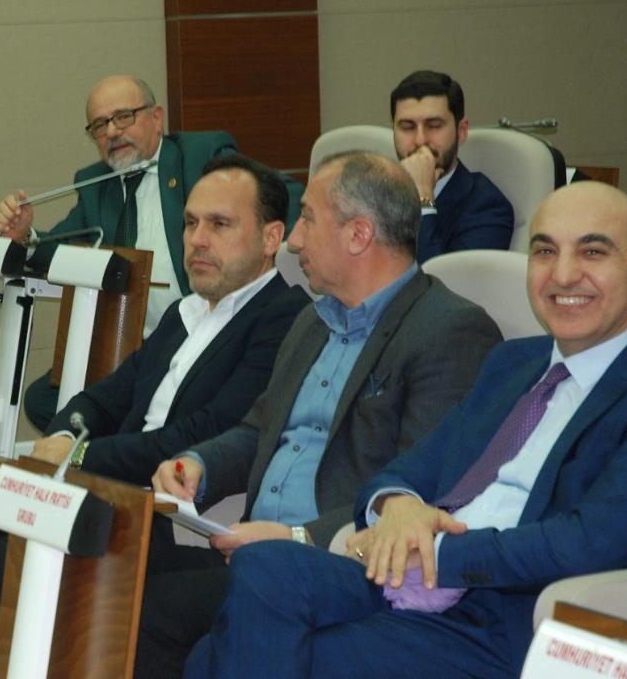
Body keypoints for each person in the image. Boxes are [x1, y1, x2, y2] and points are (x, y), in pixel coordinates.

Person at [184, 181, 627, 679]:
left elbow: (585, 543)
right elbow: (408, 470)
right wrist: (398, 507)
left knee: (219, 660)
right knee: (263, 567)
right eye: (545, 251)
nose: (563, 274)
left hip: (508, 616)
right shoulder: (513, 364)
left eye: (592, 252)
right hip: (400, 580)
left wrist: (433, 551)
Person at [137, 151, 503, 678]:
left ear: (358, 234)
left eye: (307, 218)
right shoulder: (312, 321)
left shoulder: (449, 331)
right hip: (253, 546)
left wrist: (296, 538)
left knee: (151, 613)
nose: (293, 240)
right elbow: (259, 430)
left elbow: (422, 489)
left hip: (342, 564)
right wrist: (198, 463)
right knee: (117, 561)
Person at [0, 74, 301, 430]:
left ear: (156, 118)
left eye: (124, 117)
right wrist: (24, 236)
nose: (112, 132)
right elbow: (64, 248)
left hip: (205, 328)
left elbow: (286, 197)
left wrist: (279, 249)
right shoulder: (96, 185)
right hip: (134, 348)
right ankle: (129, 443)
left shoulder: (199, 156)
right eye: (100, 125)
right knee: (44, 400)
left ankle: (130, 444)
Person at [27, 152, 310, 484]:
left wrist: (79, 456)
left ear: (271, 238)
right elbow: (105, 399)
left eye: (219, 224)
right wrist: (63, 438)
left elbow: (208, 433)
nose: (197, 240)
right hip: (119, 486)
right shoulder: (183, 312)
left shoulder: (287, 316)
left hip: (173, 499)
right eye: (191, 223)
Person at [390, 70, 514, 263]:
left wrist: (423, 197)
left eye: (434, 125)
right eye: (407, 127)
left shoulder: (487, 207)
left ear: (461, 131)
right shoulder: (375, 191)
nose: (420, 140)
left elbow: (440, 280)